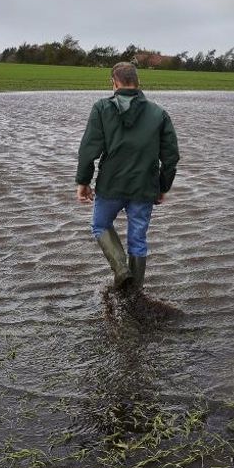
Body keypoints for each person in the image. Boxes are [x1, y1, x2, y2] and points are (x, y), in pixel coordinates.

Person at [75, 62, 180, 312]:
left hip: (110, 184)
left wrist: (83, 182)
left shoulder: (102, 108)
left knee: (100, 225)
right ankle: (135, 294)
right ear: (138, 82)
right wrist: (163, 186)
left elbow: (89, 150)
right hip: (144, 187)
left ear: (114, 82)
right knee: (138, 239)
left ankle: (121, 270)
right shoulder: (158, 113)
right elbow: (171, 156)